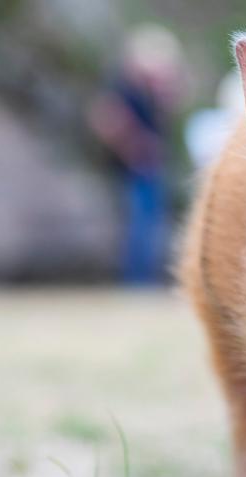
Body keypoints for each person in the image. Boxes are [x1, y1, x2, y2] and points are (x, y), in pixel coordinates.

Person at [89, 25, 185, 284]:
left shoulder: (149, 92)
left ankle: (143, 279)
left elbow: (169, 113)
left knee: (150, 224)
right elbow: (105, 118)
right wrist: (135, 147)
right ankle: (137, 280)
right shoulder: (123, 88)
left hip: (149, 166)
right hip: (136, 168)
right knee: (140, 226)